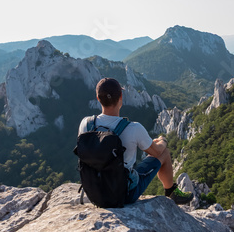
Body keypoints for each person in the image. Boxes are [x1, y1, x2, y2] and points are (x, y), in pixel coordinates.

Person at [78, 77, 193, 205]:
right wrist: (162, 140)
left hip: (94, 192)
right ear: (121, 97)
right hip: (123, 194)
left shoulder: (86, 124)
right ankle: (172, 192)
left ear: (98, 98)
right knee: (164, 153)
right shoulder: (133, 128)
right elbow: (157, 152)